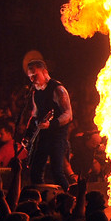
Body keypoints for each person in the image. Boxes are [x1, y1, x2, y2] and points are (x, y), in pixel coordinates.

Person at [24, 59, 73, 190]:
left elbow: (68, 114)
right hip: (43, 136)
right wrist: (28, 133)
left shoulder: (58, 89)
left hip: (57, 136)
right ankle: (40, 199)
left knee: (57, 172)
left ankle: (70, 199)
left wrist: (52, 125)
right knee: (35, 171)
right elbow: (35, 114)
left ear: (45, 72)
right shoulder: (36, 92)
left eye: (35, 75)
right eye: (30, 77)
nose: (33, 80)